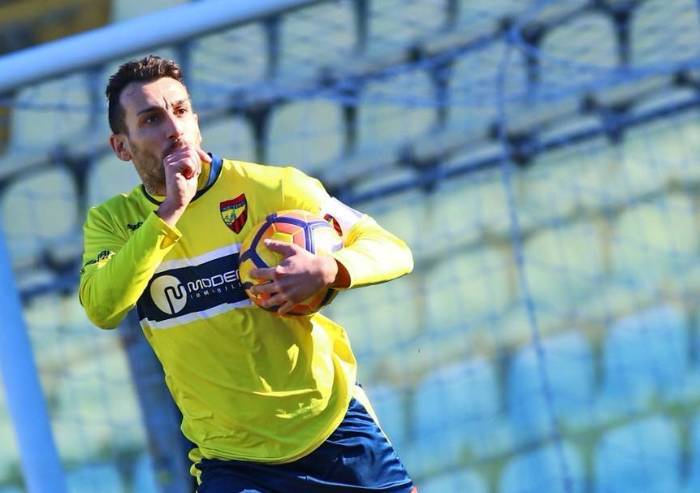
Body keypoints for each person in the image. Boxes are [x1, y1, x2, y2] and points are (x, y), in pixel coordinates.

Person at [79, 55, 417, 493]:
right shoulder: (111, 224)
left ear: (196, 120)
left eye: (180, 111)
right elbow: (103, 307)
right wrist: (170, 211)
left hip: (331, 431)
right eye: (151, 119)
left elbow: (391, 248)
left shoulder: (273, 189)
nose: (173, 128)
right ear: (122, 146)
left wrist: (329, 268)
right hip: (230, 461)